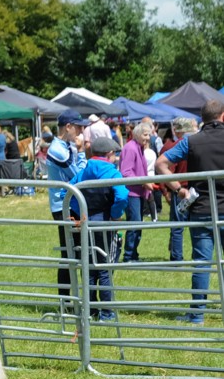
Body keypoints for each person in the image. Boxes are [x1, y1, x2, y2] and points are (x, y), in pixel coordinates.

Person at [157, 101, 224, 324]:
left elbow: (161, 163)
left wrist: (179, 189)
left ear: (202, 118)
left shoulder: (191, 141)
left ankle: (196, 315)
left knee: (202, 263)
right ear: (222, 116)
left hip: (202, 209)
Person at [69, 137, 128, 323]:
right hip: (105, 225)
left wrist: (82, 213)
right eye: (115, 154)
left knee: (89, 267)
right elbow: (122, 196)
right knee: (105, 267)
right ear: (109, 154)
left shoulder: (83, 172)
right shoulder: (113, 173)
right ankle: (107, 312)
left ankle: (90, 309)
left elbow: (66, 193)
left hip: (87, 225)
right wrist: (115, 215)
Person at [45, 111, 88, 301]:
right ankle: (66, 300)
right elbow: (79, 175)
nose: (81, 131)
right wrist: (82, 151)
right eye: (78, 127)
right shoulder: (58, 150)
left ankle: (70, 300)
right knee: (69, 253)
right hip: (63, 207)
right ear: (68, 126)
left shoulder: (65, 146)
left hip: (69, 204)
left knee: (74, 252)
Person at [159, 117, 198, 261]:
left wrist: (166, 191)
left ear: (176, 130)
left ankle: (176, 257)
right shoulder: (196, 144)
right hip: (196, 189)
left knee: (177, 225)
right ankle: (198, 256)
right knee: (197, 225)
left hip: (180, 189)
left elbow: (167, 170)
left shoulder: (174, 147)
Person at [119, 121, 153, 262]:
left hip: (138, 192)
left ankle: (133, 254)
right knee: (134, 224)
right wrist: (144, 182)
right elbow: (126, 172)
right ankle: (128, 255)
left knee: (137, 224)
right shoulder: (131, 148)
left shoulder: (138, 147)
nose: (148, 138)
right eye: (145, 135)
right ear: (137, 134)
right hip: (131, 192)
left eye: (149, 135)